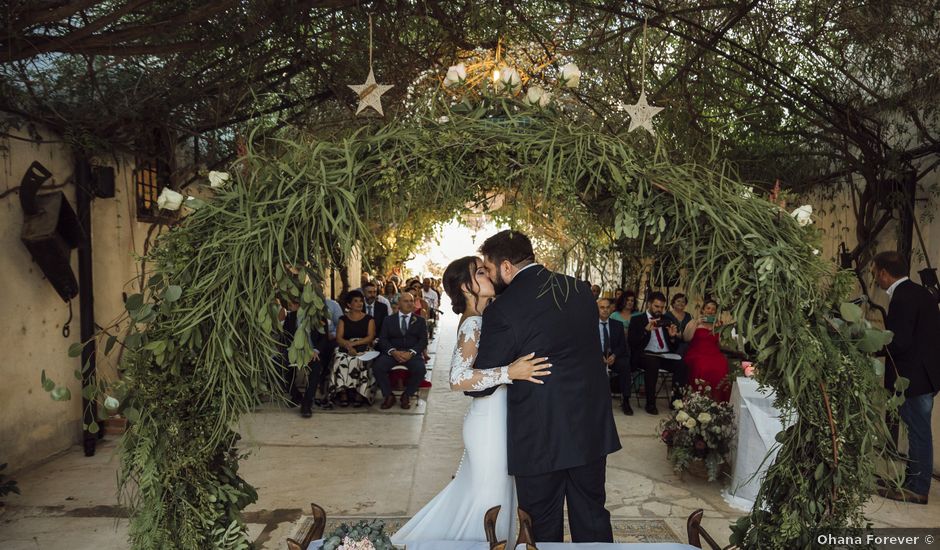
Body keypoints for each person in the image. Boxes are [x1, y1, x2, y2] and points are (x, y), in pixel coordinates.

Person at [468, 230, 621, 543]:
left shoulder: (504, 308)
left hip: (540, 436)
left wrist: (509, 370)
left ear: (506, 266)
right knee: (592, 514)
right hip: (590, 427)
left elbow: (480, 384)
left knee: (539, 523)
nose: (491, 274)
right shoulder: (580, 291)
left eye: (490, 268)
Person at [391, 256, 551, 545]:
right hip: (488, 425)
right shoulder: (473, 323)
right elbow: (458, 378)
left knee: (490, 498)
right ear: (466, 286)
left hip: (496, 421)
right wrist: (510, 371)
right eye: (480, 272)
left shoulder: (488, 318)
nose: (489, 274)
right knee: (490, 502)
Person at [872, 251, 939, 505]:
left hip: (913, 377)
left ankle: (918, 488)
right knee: (916, 431)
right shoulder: (921, 293)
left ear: (884, 273)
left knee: (919, 431)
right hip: (927, 375)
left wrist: (871, 344)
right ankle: (912, 482)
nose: (875, 278)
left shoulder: (901, 297)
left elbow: (899, 343)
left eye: (875, 273)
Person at [627, 291, 688, 415]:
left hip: (664, 355)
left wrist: (672, 337)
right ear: (649, 304)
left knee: (682, 364)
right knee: (652, 362)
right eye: (656, 306)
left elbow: (674, 345)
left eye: (662, 307)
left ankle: (676, 402)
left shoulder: (667, 320)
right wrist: (645, 331)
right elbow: (632, 342)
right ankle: (650, 403)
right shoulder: (637, 319)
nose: (659, 309)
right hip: (645, 355)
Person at [372, 291, 428, 409]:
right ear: (399, 303)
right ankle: (388, 395)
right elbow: (383, 339)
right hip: (392, 353)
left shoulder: (420, 321)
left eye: (411, 301)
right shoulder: (388, 320)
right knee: (378, 366)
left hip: (411, 354)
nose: (409, 303)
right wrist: (393, 351)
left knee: (420, 369)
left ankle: (407, 395)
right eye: (405, 301)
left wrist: (411, 353)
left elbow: (423, 341)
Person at [326, 290, 376, 407]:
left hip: (363, 346)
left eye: (361, 301)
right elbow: (339, 338)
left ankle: (360, 393)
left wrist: (355, 344)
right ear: (349, 305)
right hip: (346, 345)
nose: (359, 303)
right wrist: (348, 346)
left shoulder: (369, 319)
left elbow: (370, 337)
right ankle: (343, 393)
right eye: (356, 301)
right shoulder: (343, 319)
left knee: (360, 359)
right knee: (340, 358)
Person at [681, 299, 730, 402]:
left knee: (722, 364)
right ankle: (699, 400)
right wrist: (696, 323)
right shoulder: (694, 322)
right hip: (697, 352)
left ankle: (718, 401)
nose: (710, 311)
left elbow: (721, 344)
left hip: (714, 353)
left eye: (713, 309)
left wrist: (721, 330)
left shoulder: (718, 324)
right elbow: (686, 338)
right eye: (708, 308)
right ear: (703, 310)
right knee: (703, 366)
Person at [598, 297, 633, 415]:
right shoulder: (591, 325)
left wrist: (614, 356)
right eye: (602, 307)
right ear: (597, 309)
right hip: (597, 357)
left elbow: (622, 345)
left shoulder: (617, 325)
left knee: (625, 365)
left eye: (607, 307)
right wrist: (598, 356)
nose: (605, 310)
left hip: (613, 357)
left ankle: (626, 400)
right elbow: (588, 344)